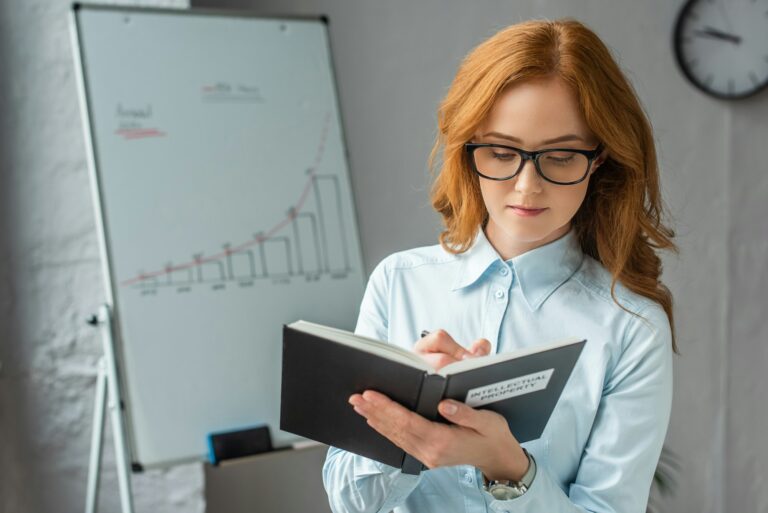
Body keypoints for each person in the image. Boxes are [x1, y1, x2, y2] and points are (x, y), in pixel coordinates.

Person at [322, 17, 678, 513]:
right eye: (501, 151)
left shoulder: (632, 327)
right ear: (467, 151)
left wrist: (508, 467)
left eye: (561, 156)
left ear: (600, 160)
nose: (527, 186)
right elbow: (349, 501)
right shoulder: (398, 283)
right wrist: (410, 418)